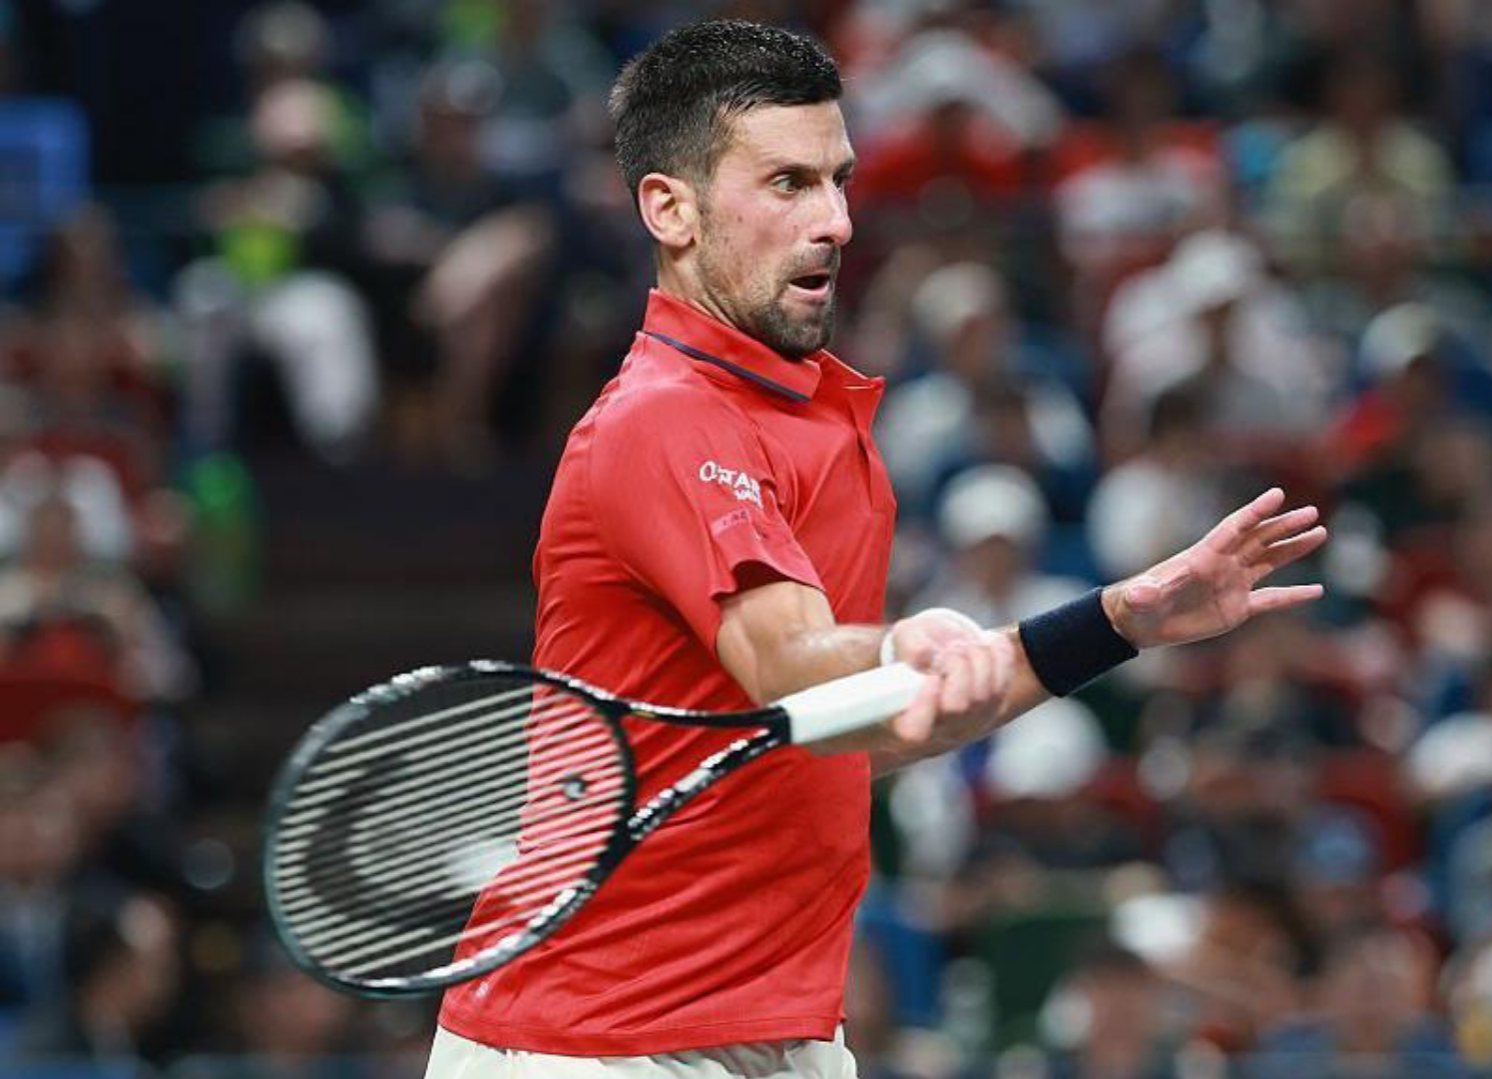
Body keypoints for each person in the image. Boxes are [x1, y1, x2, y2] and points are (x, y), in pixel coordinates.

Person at [425, 20, 1328, 1079]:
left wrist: (1119, 620)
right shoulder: (662, 419)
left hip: (771, 1031)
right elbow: (789, 664)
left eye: (839, 180)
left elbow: (849, 730)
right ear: (670, 208)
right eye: (788, 184)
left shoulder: (825, 431)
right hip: (593, 1044)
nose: (838, 221)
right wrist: (902, 642)